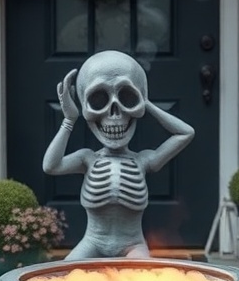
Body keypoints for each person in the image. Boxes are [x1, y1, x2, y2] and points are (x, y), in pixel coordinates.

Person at [43, 50, 195, 260]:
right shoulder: (87, 159)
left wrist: (146, 103)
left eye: (128, 98)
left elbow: (186, 133)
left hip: (133, 246)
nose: (114, 113)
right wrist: (69, 119)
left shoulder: (143, 160)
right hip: (92, 243)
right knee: (64, 278)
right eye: (98, 100)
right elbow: (51, 166)